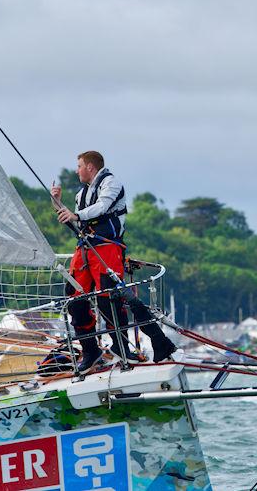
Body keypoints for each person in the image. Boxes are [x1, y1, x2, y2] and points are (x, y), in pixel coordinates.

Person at [52, 150, 176, 372]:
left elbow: (101, 208)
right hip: (84, 249)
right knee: (75, 299)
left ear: (90, 167)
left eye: (79, 165)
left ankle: (121, 347)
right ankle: (90, 350)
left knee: (108, 298)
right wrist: (59, 204)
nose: (76, 170)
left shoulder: (111, 184)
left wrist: (76, 215)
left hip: (107, 248)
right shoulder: (81, 195)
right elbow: (77, 223)